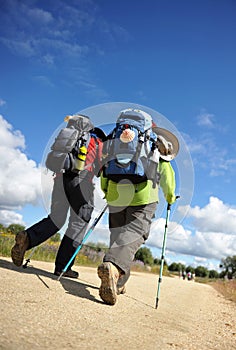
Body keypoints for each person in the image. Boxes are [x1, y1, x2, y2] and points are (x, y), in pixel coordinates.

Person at [97, 109, 178, 305]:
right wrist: (170, 197)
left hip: (116, 194)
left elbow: (105, 170)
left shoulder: (117, 142)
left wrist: (107, 191)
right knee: (134, 233)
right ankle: (113, 267)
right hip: (143, 196)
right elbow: (167, 178)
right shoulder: (154, 146)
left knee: (117, 236)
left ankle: (118, 282)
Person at [11, 114, 104, 278]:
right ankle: (63, 267)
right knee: (79, 223)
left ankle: (28, 237)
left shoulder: (68, 134)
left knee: (56, 219)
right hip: (82, 183)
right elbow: (99, 167)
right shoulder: (95, 139)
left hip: (59, 180)